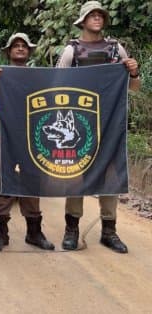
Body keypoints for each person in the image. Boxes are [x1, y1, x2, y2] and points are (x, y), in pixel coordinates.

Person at [56, 1, 140, 253]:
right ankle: (71, 229)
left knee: (110, 173)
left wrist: (134, 73)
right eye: (91, 15)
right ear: (82, 21)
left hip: (110, 122)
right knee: (76, 174)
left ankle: (109, 231)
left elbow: (133, 89)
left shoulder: (116, 49)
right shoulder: (72, 50)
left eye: (100, 15)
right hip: (80, 124)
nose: (97, 18)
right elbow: (57, 85)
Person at [0, 33, 56, 253]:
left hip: (33, 139)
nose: (21, 49)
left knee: (33, 183)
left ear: (29, 52)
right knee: (5, 184)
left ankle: (34, 232)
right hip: (6, 139)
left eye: (24, 46)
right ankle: (0, 233)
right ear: (9, 52)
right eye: (16, 46)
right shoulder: (0, 75)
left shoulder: (38, 77)